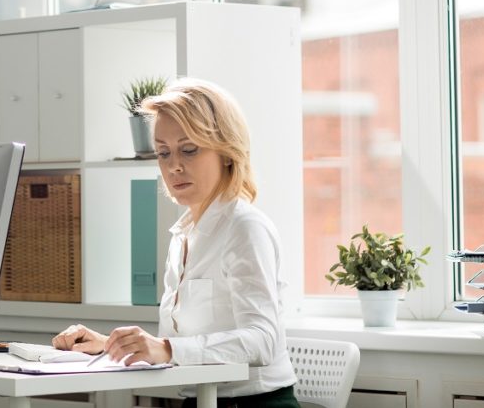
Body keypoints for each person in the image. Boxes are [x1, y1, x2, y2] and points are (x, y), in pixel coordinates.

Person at [52, 78, 300, 407]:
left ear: (227, 152)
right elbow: (190, 347)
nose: (174, 166)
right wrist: (112, 345)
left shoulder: (244, 228)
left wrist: (166, 349)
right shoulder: (183, 234)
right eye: (163, 153)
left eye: (189, 149)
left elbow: (263, 340)